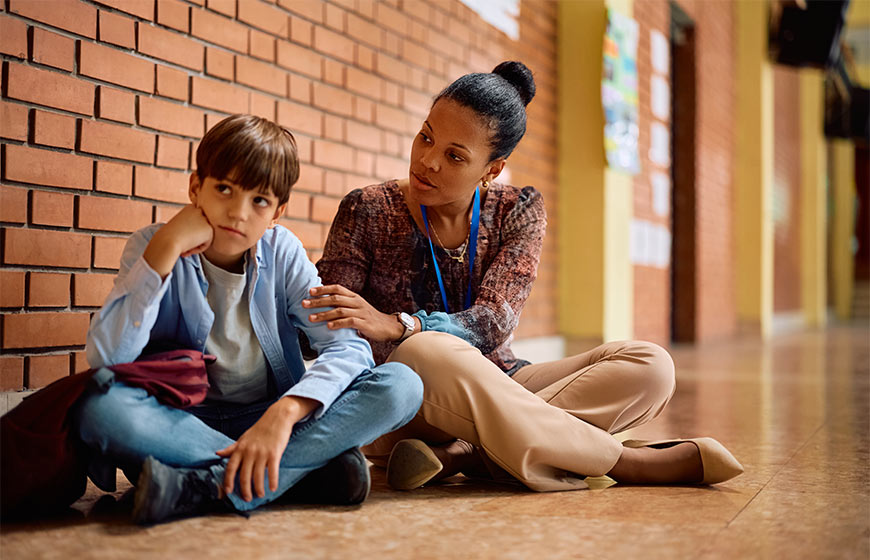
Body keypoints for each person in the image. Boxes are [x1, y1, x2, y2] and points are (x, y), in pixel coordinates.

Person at [311, 62, 743, 492]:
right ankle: (625, 462)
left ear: (491, 170)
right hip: (404, 396)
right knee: (425, 351)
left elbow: (494, 321)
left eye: (454, 155)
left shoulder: (517, 210)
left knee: (651, 367)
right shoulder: (368, 209)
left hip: (500, 379)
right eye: (426, 136)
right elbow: (321, 323)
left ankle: (466, 454)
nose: (427, 161)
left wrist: (401, 323)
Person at [74, 114, 423, 524]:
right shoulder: (152, 246)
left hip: (270, 417)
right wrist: (166, 250)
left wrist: (286, 412)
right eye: (224, 189)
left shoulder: (283, 252)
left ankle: (201, 485)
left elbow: (346, 347)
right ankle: (301, 472)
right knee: (100, 408)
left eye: (259, 200)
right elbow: (106, 358)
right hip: (184, 422)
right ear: (195, 188)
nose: (238, 213)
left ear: (277, 211)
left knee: (401, 385)